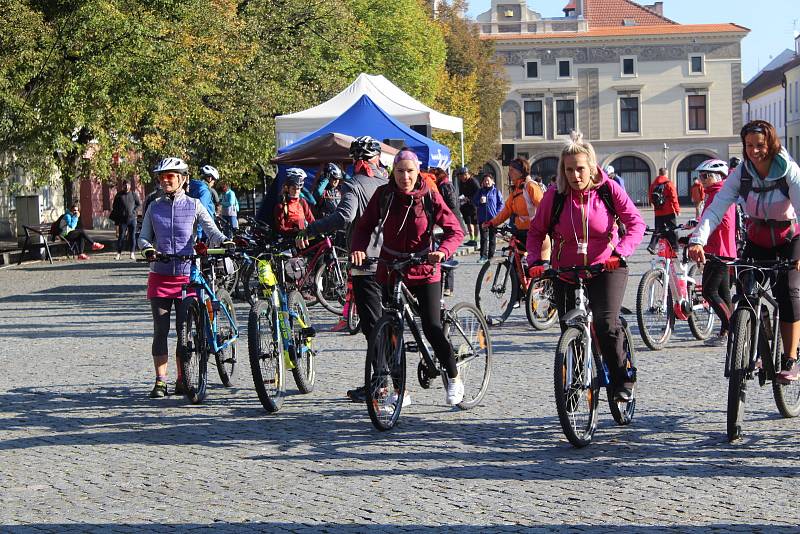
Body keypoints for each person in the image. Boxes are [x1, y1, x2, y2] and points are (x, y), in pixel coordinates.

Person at [526, 131, 645, 401]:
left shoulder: (608, 190)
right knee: (571, 329)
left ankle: (621, 380)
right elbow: (535, 233)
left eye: (580, 169)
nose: (575, 175)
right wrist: (535, 261)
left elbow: (637, 224)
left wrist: (621, 251)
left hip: (607, 267)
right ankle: (575, 383)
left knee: (605, 323)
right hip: (566, 272)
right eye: (569, 170)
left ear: (591, 167)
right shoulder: (555, 197)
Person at [688, 120, 800, 383]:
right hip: (756, 238)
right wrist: (698, 239)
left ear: (771, 144)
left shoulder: (789, 171)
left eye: (760, 145)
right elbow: (716, 208)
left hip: (788, 238)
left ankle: (791, 358)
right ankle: (758, 348)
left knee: (789, 294)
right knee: (748, 293)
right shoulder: (742, 174)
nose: (754, 151)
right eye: (749, 145)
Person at [350, 149, 465, 405]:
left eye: (410, 171)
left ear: (418, 171)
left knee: (432, 327)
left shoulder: (430, 196)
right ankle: (400, 390)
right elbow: (364, 226)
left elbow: (455, 230)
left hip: (425, 268)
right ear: (393, 171)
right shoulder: (384, 195)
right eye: (400, 171)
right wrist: (358, 248)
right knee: (391, 329)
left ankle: (454, 376)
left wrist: (442, 252)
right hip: (391, 268)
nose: (405, 177)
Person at [296, 136, 389, 394]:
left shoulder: (354, 184)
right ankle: (389, 378)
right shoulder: (388, 182)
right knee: (389, 321)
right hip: (391, 261)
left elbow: (344, 216)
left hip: (366, 262)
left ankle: (381, 382)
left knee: (372, 325)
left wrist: (311, 228)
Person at [137, 157, 230, 398]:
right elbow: (144, 237)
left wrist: (224, 241)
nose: (165, 180)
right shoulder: (154, 206)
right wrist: (148, 249)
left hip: (187, 275)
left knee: (184, 331)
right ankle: (160, 381)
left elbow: (212, 231)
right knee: (160, 330)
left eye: (170, 176)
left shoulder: (195, 205)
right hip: (160, 274)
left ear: (183, 179)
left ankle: (182, 378)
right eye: (161, 177)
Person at [690, 159, 737, 347]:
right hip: (718, 249)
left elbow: (721, 222)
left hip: (719, 250)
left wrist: (699, 235)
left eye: (705, 176)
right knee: (723, 293)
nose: (701, 180)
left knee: (709, 292)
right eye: (700, 176)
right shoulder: (714, 193)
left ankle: (734, 328)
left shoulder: (719, 194)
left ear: (717, 177)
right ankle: (728, 331)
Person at [483, 157, 550, 261]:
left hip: (535, 233)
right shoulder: (516, 190)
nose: (509, 173)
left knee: (532, 269)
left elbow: (544, 207)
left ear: (520, 172)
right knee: (514, 264)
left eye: (512, 170)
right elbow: (507, 210)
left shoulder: (530, 186)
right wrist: (492, 223)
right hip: (521, 232)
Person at [430, 167, 465, 297]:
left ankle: (448, 287)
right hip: (447, 224)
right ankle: (443, 286)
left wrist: (439, 204)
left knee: (447, 255)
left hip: (451, 224)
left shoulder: (445, 186)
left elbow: (452, 204)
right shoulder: (445, 185)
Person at [647, 167, 680, 254]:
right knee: (673, 228)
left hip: (658, 211)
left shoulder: (653, 184)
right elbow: (674, 197)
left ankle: (652, 246)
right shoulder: (669, 183)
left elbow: (650, 198)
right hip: (668, 210)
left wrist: (655, 206)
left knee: (658, 229)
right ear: (666, 173)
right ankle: (675, 246)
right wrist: (677, 210)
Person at [274, 168, 315, 236]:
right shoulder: (281, 206)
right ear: (287, 189)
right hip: (290, 241)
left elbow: (312, 220)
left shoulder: (302, 201)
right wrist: (295, 231)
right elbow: (281, 229)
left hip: (304, 239)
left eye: (298, 189)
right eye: (293, 188)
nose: (296, 191)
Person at [474, 172, 503, 261]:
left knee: (492, 238)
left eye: (488, 180)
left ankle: (491, 256)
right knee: (483, 238)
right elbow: (474, 202)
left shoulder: (496, 191)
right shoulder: (480, 191)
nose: (486, 182)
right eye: (485, 181)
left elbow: (501, 204)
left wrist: (497, 214)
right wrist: (479, 201)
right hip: (482, 218)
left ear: (492, 181)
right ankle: (483, 256)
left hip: (493, 218)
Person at [110, 180, 141, 260]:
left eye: (128, 185)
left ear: (130, 186)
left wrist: (134, 211)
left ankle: (132, 253)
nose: (126, 187)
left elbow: (138, 204)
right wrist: (117, 221)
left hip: (132, 219)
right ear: (123, 186)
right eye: (125, 185)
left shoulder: (133, 194)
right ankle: (118, 254)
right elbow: (115, 208)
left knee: (132, 237)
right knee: (121, 237)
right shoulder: (119, 195)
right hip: (122, 220)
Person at [456, 167, 480, 246]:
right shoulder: (461, 182)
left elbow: (478, 193)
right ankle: (471, 238)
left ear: (466, 174)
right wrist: (461, 198)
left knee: (474, 222)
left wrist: (469, 199)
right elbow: (461, 192)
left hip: (473, 205)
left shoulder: (473, 181)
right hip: (465, 205)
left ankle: (475, 239)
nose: (460, 178)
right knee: (468, 223)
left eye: (461, 176)